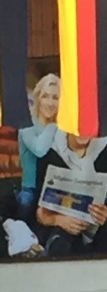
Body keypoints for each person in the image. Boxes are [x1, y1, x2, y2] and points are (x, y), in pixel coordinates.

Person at [33, 129, 107, 255]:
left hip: (100, 231)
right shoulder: (50, 153)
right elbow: (39, 212)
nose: (83, 131)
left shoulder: (106, 149)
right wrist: (59, 220)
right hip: (63, 231)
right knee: (60, 242)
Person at [16, 72, 60, 220]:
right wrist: (53, 127)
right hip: (32, 191)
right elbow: (39, 149)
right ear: (38, 98)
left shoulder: (63, 127)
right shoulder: (26, 122)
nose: (50, 103)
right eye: (45, 96)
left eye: (55, 98)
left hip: (56, 188)